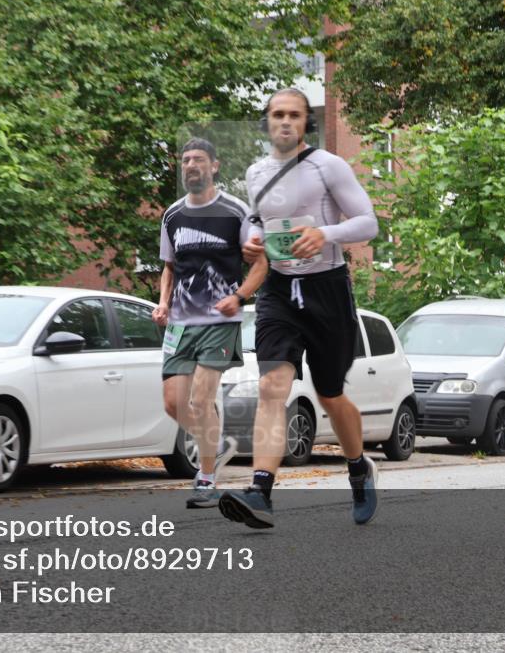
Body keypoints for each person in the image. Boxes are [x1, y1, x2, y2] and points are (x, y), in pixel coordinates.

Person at [218, 88, 379, 528]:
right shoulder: (256, 172)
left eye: (294, 115)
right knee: (273, 386)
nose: (285, 122)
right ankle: (260, 492)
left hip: (327, 289)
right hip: (279, 291)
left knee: (330, 394)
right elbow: (254, 219)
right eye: (277, 115)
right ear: (267, 122)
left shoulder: (328, 166)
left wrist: (325, 234)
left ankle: (358, 469)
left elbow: (369, 221)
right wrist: (249, 241)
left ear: (306, 122)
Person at [152, 138, 268, 508]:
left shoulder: (237, 212)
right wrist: (162, 302)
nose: (191, 165)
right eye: (185, 160)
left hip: (220, 319)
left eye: (198, 159)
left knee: (201, 401)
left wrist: (238, 297)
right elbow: (168, 268)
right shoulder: (172, 216)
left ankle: (205, 478)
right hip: (181, 324)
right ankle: (213, 444)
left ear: (214, 166)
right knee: (174, 405)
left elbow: (261, 265)